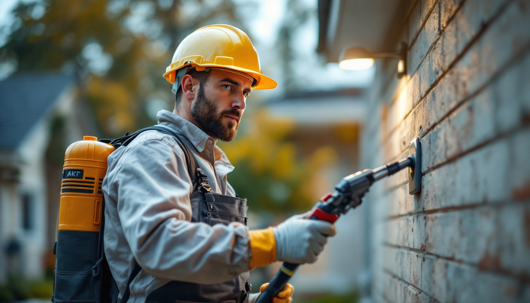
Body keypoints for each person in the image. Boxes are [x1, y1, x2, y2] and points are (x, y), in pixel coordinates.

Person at [102, 24, 337, 303]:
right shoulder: (154, 152)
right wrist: (274, 243)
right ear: (189, 86)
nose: (240, 103)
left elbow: (201, 280)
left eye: (246, 92)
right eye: (228, 86)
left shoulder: (211, 167)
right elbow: (160, 246)